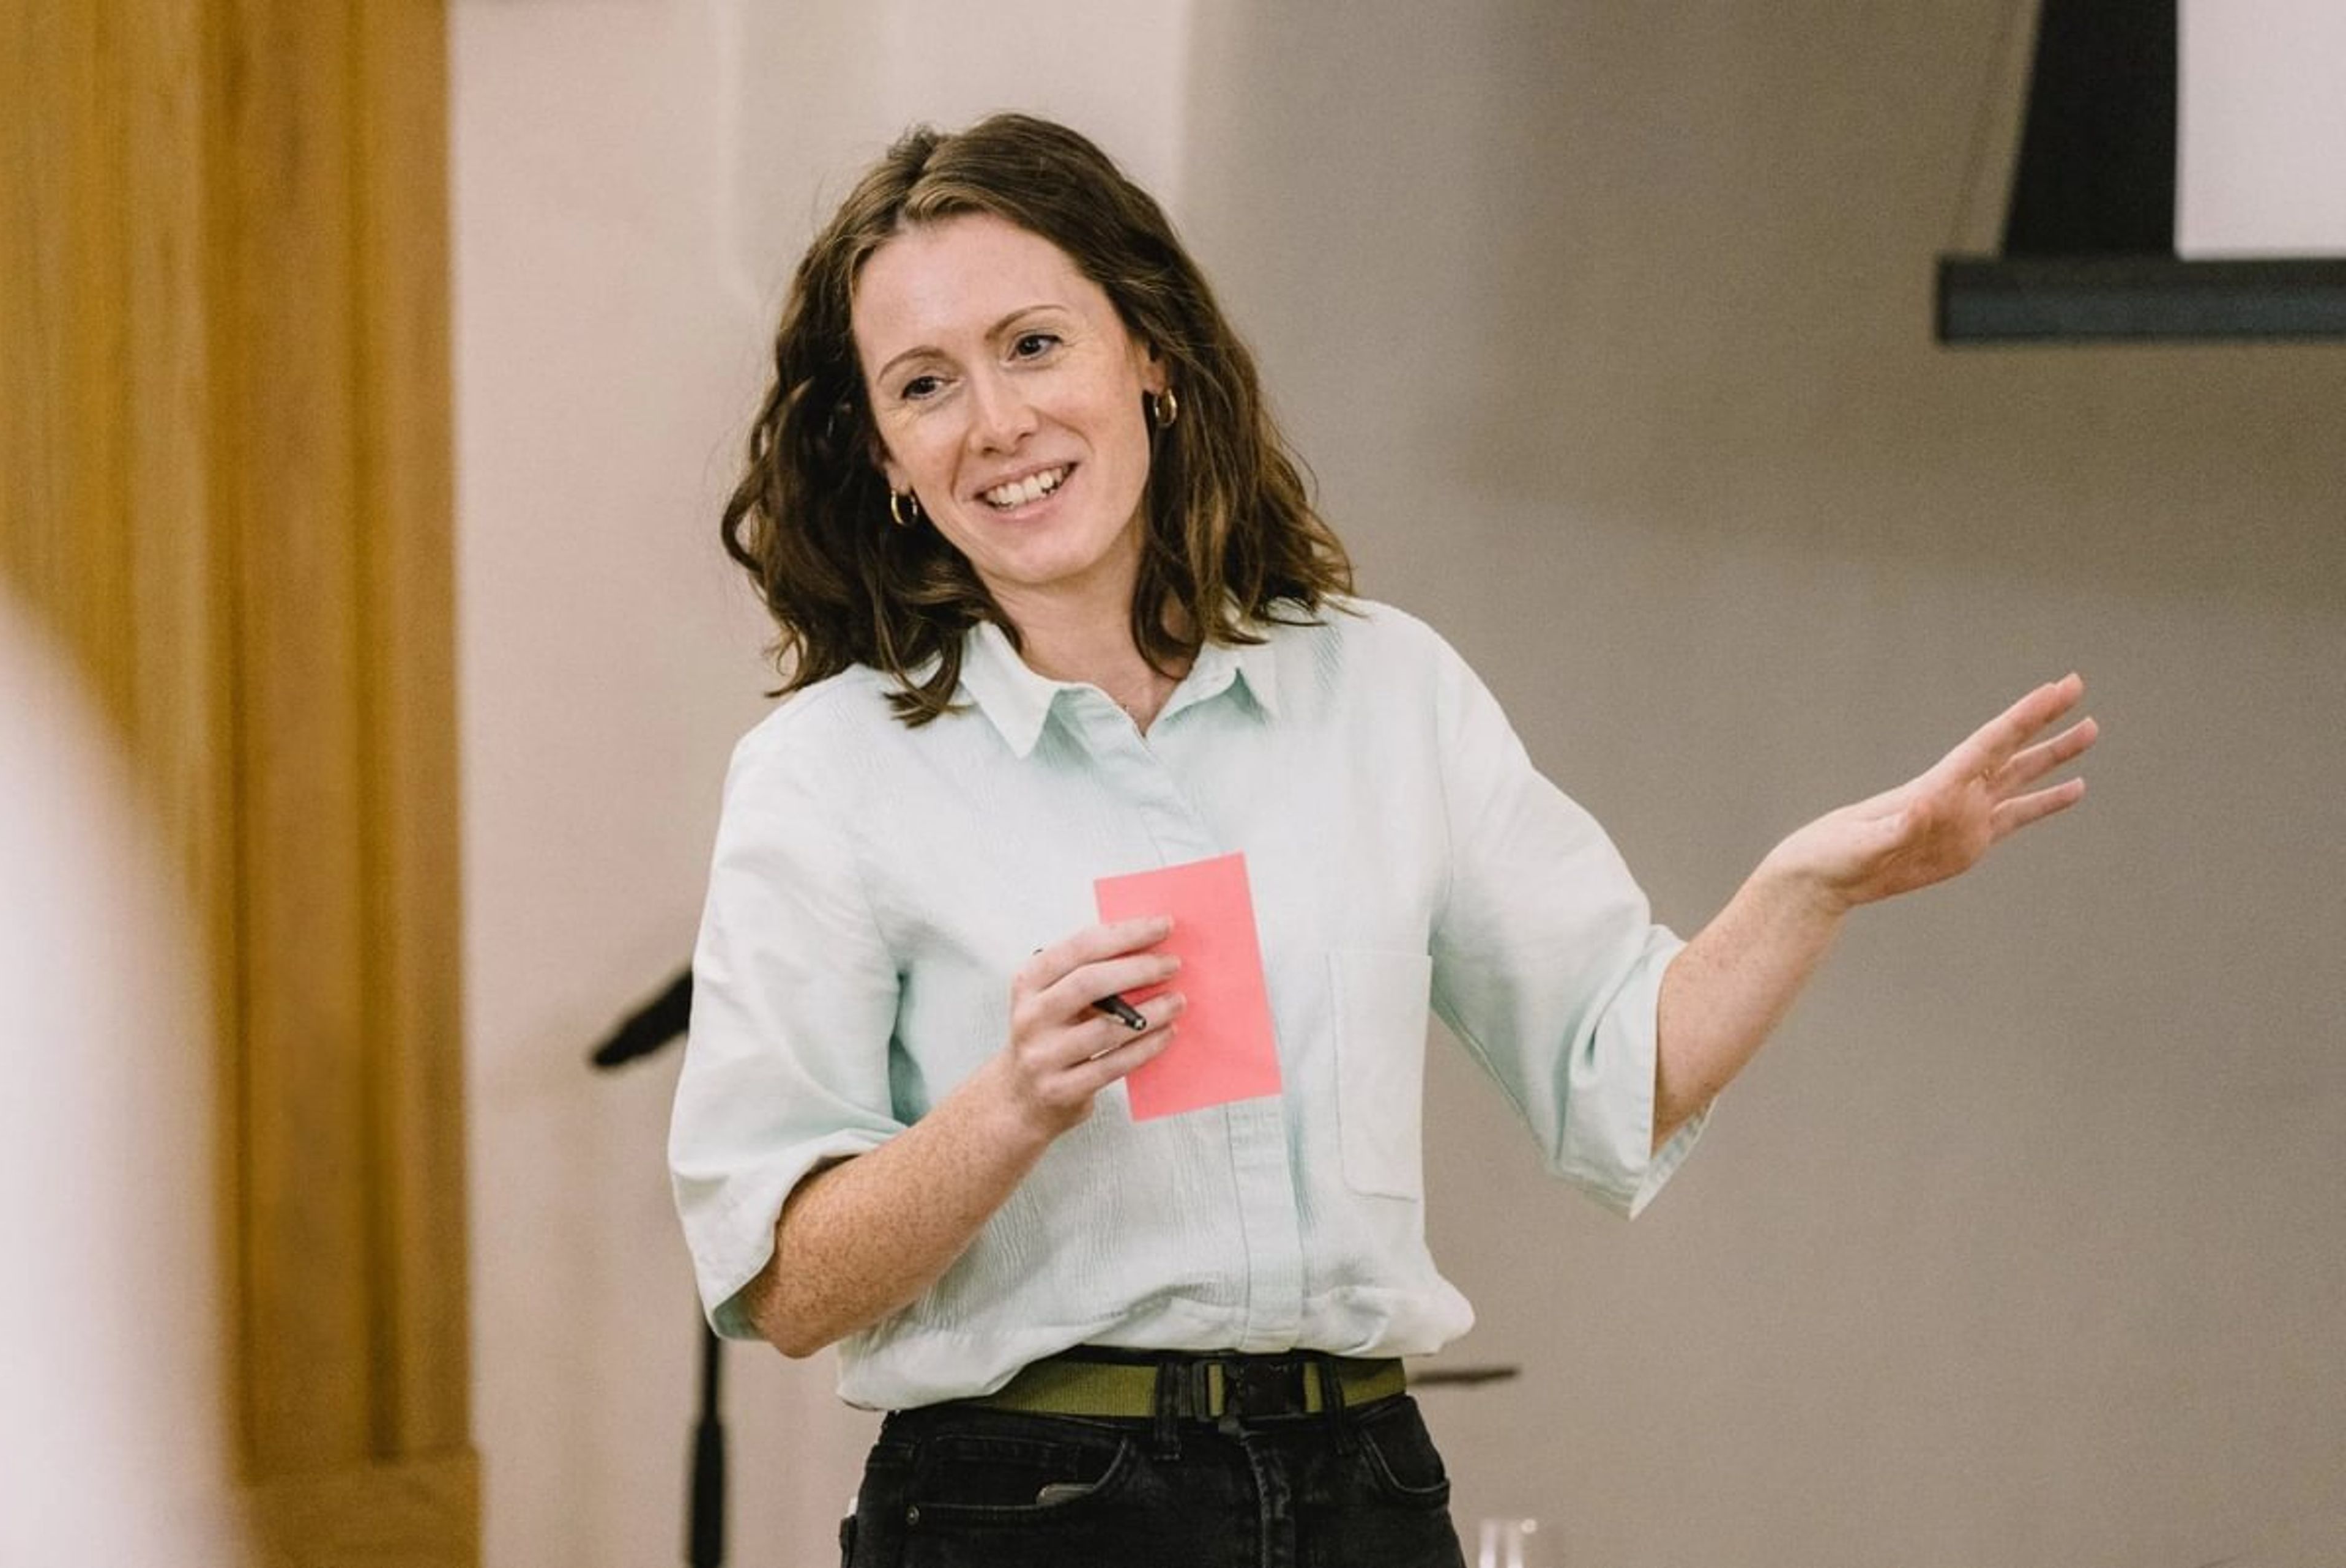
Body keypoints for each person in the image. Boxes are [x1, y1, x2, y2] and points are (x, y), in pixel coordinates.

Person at [669, 114, 2096, 1567]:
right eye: (926, 384)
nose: (996, 421)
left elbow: (1622, 1068)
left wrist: (1810, 888)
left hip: (1363, 1490)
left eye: (1035, 344)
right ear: (888, 455)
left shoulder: (1382, 689)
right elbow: (784, 1282)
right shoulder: (828, 774)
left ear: (1149, 354)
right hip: (1022, 1509)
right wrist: (1011, 1103)